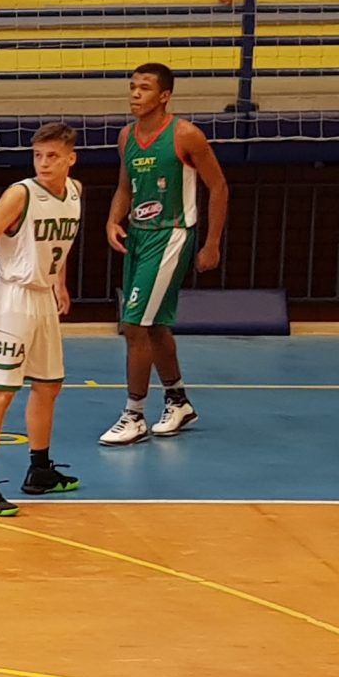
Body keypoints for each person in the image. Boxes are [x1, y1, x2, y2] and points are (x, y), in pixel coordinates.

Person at [0, 123, 84, 518]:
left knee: (49, 386)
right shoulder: (20, 194)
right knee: (1, 392)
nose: (44, 163)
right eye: (38, 155)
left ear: (70, 159)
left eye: (53, 156)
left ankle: (39, 469)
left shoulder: (75, 192)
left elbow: (60, 242)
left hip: (43, 299)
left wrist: (59, 281)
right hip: (11, 298)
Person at [101, 63, 229, 445]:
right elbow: (126, 186)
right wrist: (112, 220)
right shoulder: (127, 136)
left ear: (164, 96)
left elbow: (219, 187)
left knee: (134, 326)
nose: (135, 94)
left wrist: (212, 242)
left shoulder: (185, 134)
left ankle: (133, 414)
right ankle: (178, 401)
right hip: (139, 237)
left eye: (144, 88)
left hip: (172, 234)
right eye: (132, 87)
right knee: (154, 325)